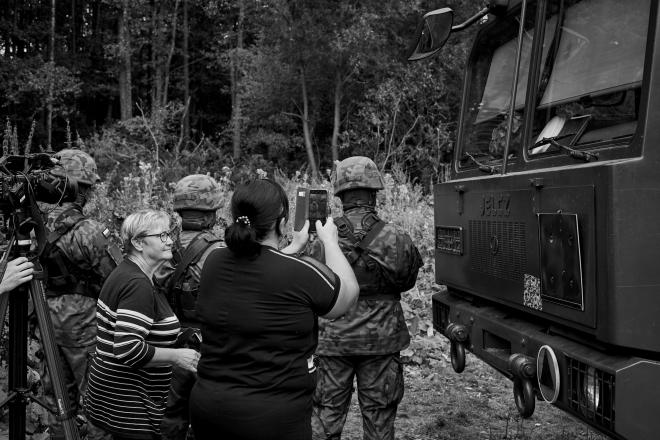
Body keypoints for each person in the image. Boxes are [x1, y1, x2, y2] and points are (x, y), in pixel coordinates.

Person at [189, 178, 359, 440]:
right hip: (273, 419)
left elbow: (262, 266)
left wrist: (294, 247)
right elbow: (345, 298)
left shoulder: (214, 261)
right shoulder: (299, 272)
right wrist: (330, 242)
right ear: (281, 222)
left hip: (209, 409)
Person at [308, 156, 423, 440]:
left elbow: (310, 286)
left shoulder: (322, 237)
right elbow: (408, 282)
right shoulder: (396, 237)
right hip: (382, 341)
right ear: (374, 192)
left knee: (325, 418)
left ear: (339, 194)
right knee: (380, 420)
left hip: (333, 340)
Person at [84, 209, 199, 439]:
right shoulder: (138, 284)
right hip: (130, 409)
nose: (169, 241)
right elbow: (128, 349)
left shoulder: (129, 273)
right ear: (138, 242)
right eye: (162, 236)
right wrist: (177, 356)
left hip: (113, 401)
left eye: (169, 234)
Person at [40, 148, 122, 440]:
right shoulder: (90, 231)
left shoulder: (34, 224)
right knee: (98, 399)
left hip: (46, 319)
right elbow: (118, 277)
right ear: (80, 189)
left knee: (57, 398)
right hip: (84, 324)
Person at [157, 174, 224, 440]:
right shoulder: (220, 251)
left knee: (169, 417)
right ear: (211, 215)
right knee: (209, 419)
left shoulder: (160, 245)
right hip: (208, 347)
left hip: (167, 345)